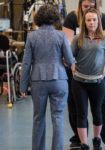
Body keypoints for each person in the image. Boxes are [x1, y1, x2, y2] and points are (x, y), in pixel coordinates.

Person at [62, 0, 105, 149]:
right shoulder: (76, 31)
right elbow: (69, 52)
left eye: (94, 19)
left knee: (100, 110)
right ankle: (82, 142)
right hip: (79, 79)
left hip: (98, 79)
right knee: (79, 112)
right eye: (88, 19)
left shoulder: (104, 35)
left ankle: (102, 139)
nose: (91, 22)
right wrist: (70, 63)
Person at [20, 5, 75, 150]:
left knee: (38, 118)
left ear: (38, 19)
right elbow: (70, 61)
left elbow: (26, 64)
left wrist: (23, 86)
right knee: (58, 118)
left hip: (38, 81)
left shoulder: (31, 36)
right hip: (59, 80)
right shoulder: (61, 35)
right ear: (55, 19)